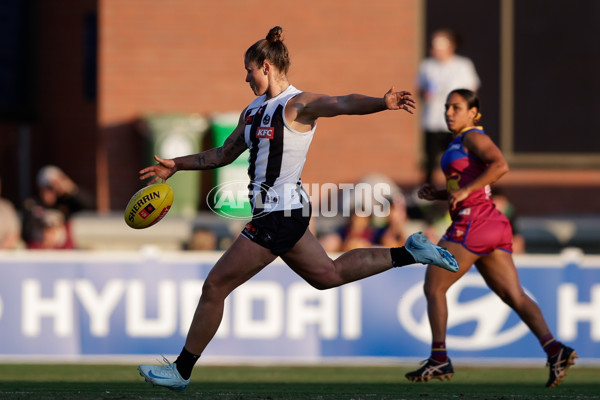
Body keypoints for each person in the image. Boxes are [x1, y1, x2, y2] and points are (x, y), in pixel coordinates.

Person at [137, 26, 458, 392]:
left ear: (267, 66)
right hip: (279, 214)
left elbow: (342, 103)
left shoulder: (297, 104)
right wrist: (176, 165)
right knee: (327, 275)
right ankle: (409, 252)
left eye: (249, 70)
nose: (246, 77)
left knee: (215, 285)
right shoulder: (253, 111)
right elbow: (223, 155)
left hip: (280, 214)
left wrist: (380, 103)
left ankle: (181, 370)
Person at [404, 89, 576, 388]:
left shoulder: (473, 137)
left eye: (456, 107)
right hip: (491, 224)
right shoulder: (460, 141)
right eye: (447, 107)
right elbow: (472, 184)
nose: (449, 112)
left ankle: (439, 357)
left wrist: (465, 193)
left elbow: (501, 165)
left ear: (473, 112)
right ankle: (555, 349)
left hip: (475, 223)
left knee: (433, 286)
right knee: (514, 295)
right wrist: (442, 194)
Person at [417, 29, 480, 185]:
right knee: (430, 162)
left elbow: (471, 91)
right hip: (432, 121)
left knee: (457, 159)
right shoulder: (427, 66)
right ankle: (428, 195)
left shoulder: (463, 65)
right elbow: (419, 90)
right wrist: (425, 94)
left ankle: (458, 188)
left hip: (455, 123)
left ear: (450, 46)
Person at [21, 165, 94, 249]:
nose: (53, 191)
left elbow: (89, 204)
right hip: (40, 251)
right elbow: (26, 232)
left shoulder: (65, 203)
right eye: (49, 187)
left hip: (64, 252)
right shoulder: (32, 204)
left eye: (55, 187)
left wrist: (71, 188)